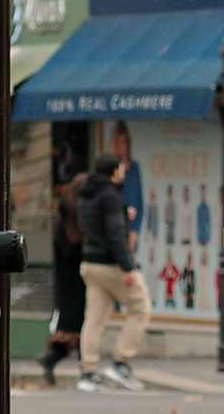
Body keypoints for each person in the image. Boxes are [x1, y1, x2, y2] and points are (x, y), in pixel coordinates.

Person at [74, 147, 147, 391]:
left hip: (90, 263)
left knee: (94, 319)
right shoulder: (110, 196)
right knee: (141, 308)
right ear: (115, 171)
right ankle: (120, 362)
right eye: (122, 168)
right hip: (111, 264)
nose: (124, 172)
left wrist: (122, 215)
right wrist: (128, 267)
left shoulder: (86, 193)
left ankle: (87, 373)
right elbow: (115, 234)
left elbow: (95, 225)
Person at [39, 157, 87, 387]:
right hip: (75, 281)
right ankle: (84, 368)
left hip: (68, 281)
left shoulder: (65, 216)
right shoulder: (73, 218)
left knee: (77, 327)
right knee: (81, 326)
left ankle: (58, 360)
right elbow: (72, 250)